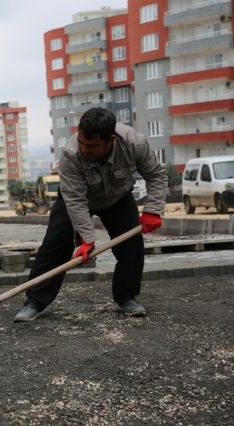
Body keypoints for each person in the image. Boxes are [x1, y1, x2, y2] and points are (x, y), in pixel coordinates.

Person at [14, 107, 168, 322]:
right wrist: (87, 238)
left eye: (92, 146)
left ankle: (126, 297)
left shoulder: (134, 144)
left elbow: (156, 175)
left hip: (117, 197)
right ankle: (35, 301)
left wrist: (153, 209)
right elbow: (76, 200)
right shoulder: (70, 153)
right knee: (55, 245)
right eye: (82, 143)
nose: (84, 150)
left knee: (131, 247)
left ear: (111, 140)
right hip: (77, 197)